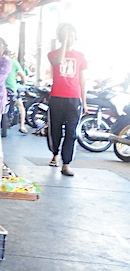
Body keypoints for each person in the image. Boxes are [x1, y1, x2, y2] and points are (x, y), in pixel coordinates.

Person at [47, 22, 88, 177]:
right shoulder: (53, 54)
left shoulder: (81, 57)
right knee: (55, 130)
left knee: (71, 132)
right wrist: (64, 41)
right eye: (65, 34)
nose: (68, 38)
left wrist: (84, 102)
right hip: (57, 97)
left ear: (75, 36)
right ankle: (55, 154)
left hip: (73, 99)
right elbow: (57, 62)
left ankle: (66, 164)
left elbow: (82, 80)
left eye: (71, 35)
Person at [3, 48, 28, 135]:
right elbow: (23, 76)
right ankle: (22, 126)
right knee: (21, 106)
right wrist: (24, 82)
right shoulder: (14, 62)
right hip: (12, 89)